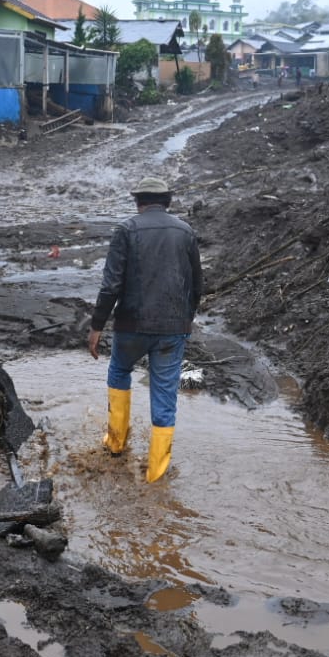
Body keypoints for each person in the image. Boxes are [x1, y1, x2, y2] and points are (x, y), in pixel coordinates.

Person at [87, 175, 203, 482]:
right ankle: (156, 473)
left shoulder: (126, 229)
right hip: (172, 328)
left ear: (138, 202)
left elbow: (111, 284)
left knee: (119, 372)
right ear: (167, 202)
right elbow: (197, 285)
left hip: (131, 325)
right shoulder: (186, 231)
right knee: (165, 394)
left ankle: (115, 444)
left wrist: (97, 326)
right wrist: (184, 320)